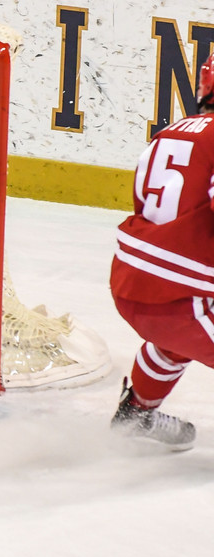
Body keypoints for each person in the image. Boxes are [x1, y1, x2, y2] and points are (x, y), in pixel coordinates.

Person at [109, 55, 214, 450]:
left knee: (172, 345)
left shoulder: (171, 132)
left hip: (132, 287)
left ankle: (135, 414)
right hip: (183, 300)